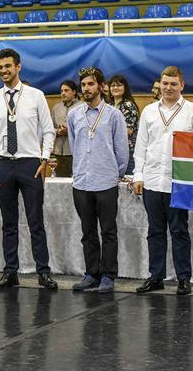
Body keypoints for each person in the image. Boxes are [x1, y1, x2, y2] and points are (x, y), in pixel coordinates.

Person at [0, 48, 58, 289]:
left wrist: (44, 159)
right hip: (2, 164)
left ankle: (43, 271)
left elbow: (49, 130)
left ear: (18, 67)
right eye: (0, 67)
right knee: (8, 223)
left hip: (30, 164)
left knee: (36, 221)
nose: (4, 71)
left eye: (8, 66)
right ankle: (10, 271)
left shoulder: (36, 95)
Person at [132, 66, 193, 295]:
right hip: (152, 180)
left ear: (182, 85)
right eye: (165, 83)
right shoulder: (149, 111)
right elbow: (141, 145)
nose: (168, 88)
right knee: (155, 231)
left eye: (174, 84)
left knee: (179, 231)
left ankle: (184, 278)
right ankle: (156, 276)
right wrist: (138, 175)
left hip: (179, 182)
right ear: (160, 84)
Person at [68, 67, 128, 293]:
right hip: (82, 182)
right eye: (83, 85)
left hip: (106, 182)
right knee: (88, 232)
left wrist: (114, 174)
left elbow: (121, 151)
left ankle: (108, 275)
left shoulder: (114, 115)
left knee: (108, 231)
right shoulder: (74, 114)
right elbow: (75, 146)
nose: (86, 89)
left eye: (90, 84)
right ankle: (91, 273)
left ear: (101, 87)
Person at [50, 80, 82, 177]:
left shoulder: (82, 107)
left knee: (77, 181)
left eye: (66, 90)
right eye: (61, 91)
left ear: (74, 92)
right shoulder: (56, 108)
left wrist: (69, 131)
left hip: (76, 152)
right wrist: (58, 131)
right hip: (59, 152)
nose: (63, 93)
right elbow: (51, 127)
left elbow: (85, 129)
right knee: (61, 181)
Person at [108, 74, 139, 175]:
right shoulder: (109, 105)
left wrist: (107, 133)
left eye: (119, 85)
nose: (115, 88)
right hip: (111, 152)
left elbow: (128, 131)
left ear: (125, 88)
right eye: (112, 85)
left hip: (127, 152)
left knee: (126, 185)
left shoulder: (128, 105)